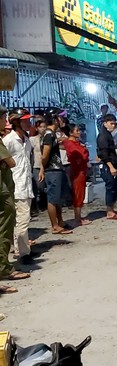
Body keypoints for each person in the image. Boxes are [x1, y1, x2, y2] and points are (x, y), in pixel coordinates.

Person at [0, 105, 29, 284]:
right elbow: (10, 162)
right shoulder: (7, 140)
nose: (5, 121)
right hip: (5, 190)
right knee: (5, 228)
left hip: (14, 185)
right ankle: (4, 268)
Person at [4, 108, 35, 265]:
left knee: (22, 221)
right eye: (25, 121)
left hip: (26, 185)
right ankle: (23, 253)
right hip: (15, 186)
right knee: (22, 221)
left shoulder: (26, 139)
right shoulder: (8, 140)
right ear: (16, 122)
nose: (29, 123)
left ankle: (20, 249)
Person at [40, 110, 72, 234]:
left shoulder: (51, 134)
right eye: (60, 117)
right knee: (53, 198)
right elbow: (44, 155)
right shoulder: (49, 134)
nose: (62, 120)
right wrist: (43, 168)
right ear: (55, 120)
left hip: (56, 169)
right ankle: (54, 225)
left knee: (57, 197)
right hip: (52, 170)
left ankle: (60, 221)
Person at [63, 124, 91, 226]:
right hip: (77, 171)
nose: (79, 132)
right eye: (77, 130)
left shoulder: (75, 143)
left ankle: (78, 216)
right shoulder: (70, 143)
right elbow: (82, 155)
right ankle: (77, 218)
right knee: (78, 193)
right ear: (71, 133)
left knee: (80, 192)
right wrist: (84, 149)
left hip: (81, 170)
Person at [97, 113, 117, 220]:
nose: (113, 125)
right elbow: (104, 153)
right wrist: (111, 167)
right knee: (111, 187)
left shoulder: (107, 134)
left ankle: (111, 208)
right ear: (105, 123)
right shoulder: (103, 136)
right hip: (108, 165)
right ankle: (109, 211)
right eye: (111, 123)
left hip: (113, 162)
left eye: (114, 123)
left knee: (115, 187)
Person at [30, 118, 47, 214]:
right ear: (37, 128)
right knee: (38, 186)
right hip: (36, 165)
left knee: (45, 185)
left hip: (46, 165)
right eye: (40, 127)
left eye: (44, 127)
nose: (43, 129)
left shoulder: (48, 138)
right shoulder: (32, 140)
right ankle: (36, 205)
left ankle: (44, 203)